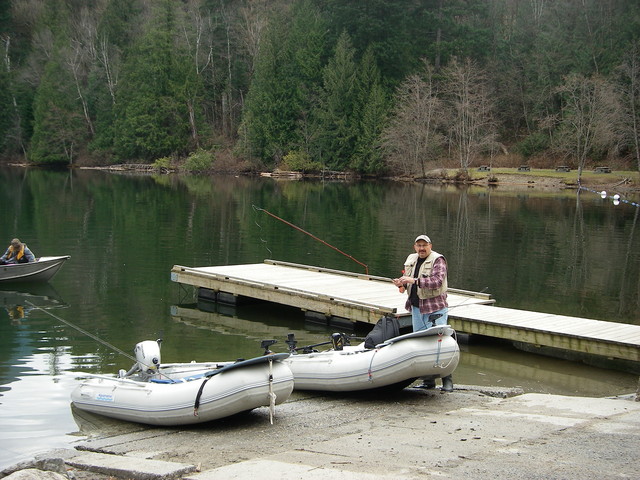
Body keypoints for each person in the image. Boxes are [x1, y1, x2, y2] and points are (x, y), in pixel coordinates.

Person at [392, 234, 453, 392]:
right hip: (416, 308)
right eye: (418, 245)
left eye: (424, 245)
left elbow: (437, 282)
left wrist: (415, 281)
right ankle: (428, 382)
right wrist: (402, 283)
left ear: (430, 246)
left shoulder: (438, 260)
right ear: (415, 247)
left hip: (435, 309)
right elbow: (408, 281)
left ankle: (448, 381)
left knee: (441, 345)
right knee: (421, 346)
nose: (421, 248)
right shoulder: (411, 258)